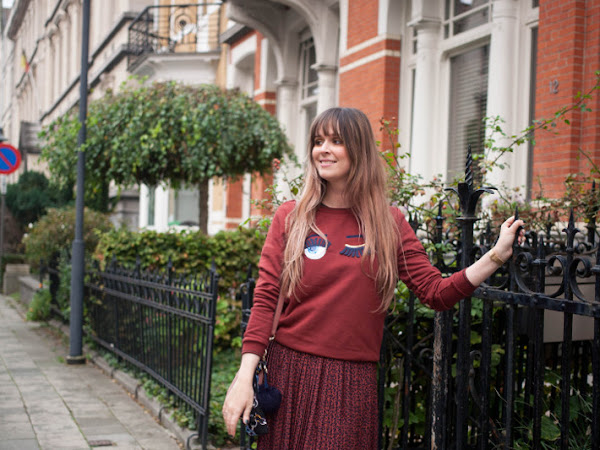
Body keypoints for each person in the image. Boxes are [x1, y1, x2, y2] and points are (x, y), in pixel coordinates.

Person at [222, 107, 524, 449]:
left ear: (359, 149)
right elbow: (264, 300)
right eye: (318, 141)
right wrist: (244, 376)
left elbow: (435, 292)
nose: (323, 149)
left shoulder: (388, 223)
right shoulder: (290, 217)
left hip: (349, 383)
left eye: (336, 141)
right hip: (291, 372)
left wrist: (496, 256)